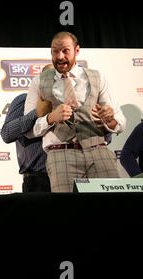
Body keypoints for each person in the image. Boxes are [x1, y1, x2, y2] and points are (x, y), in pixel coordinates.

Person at [24, 31, 126, 192]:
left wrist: (110, 120)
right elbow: (28, 130)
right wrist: (50, 118)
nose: (59, 56)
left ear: (77, 51)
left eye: (65, 51)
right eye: (55, 51)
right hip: (61, 154)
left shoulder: (98, 77)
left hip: (98, 150)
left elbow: (120, 123)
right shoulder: (38, 82)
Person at [1, 65, 54, 192]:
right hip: (38, 180)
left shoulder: (71, 103)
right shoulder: (23, 100)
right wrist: (38, 112)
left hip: (70, 174)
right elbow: (7, 134)